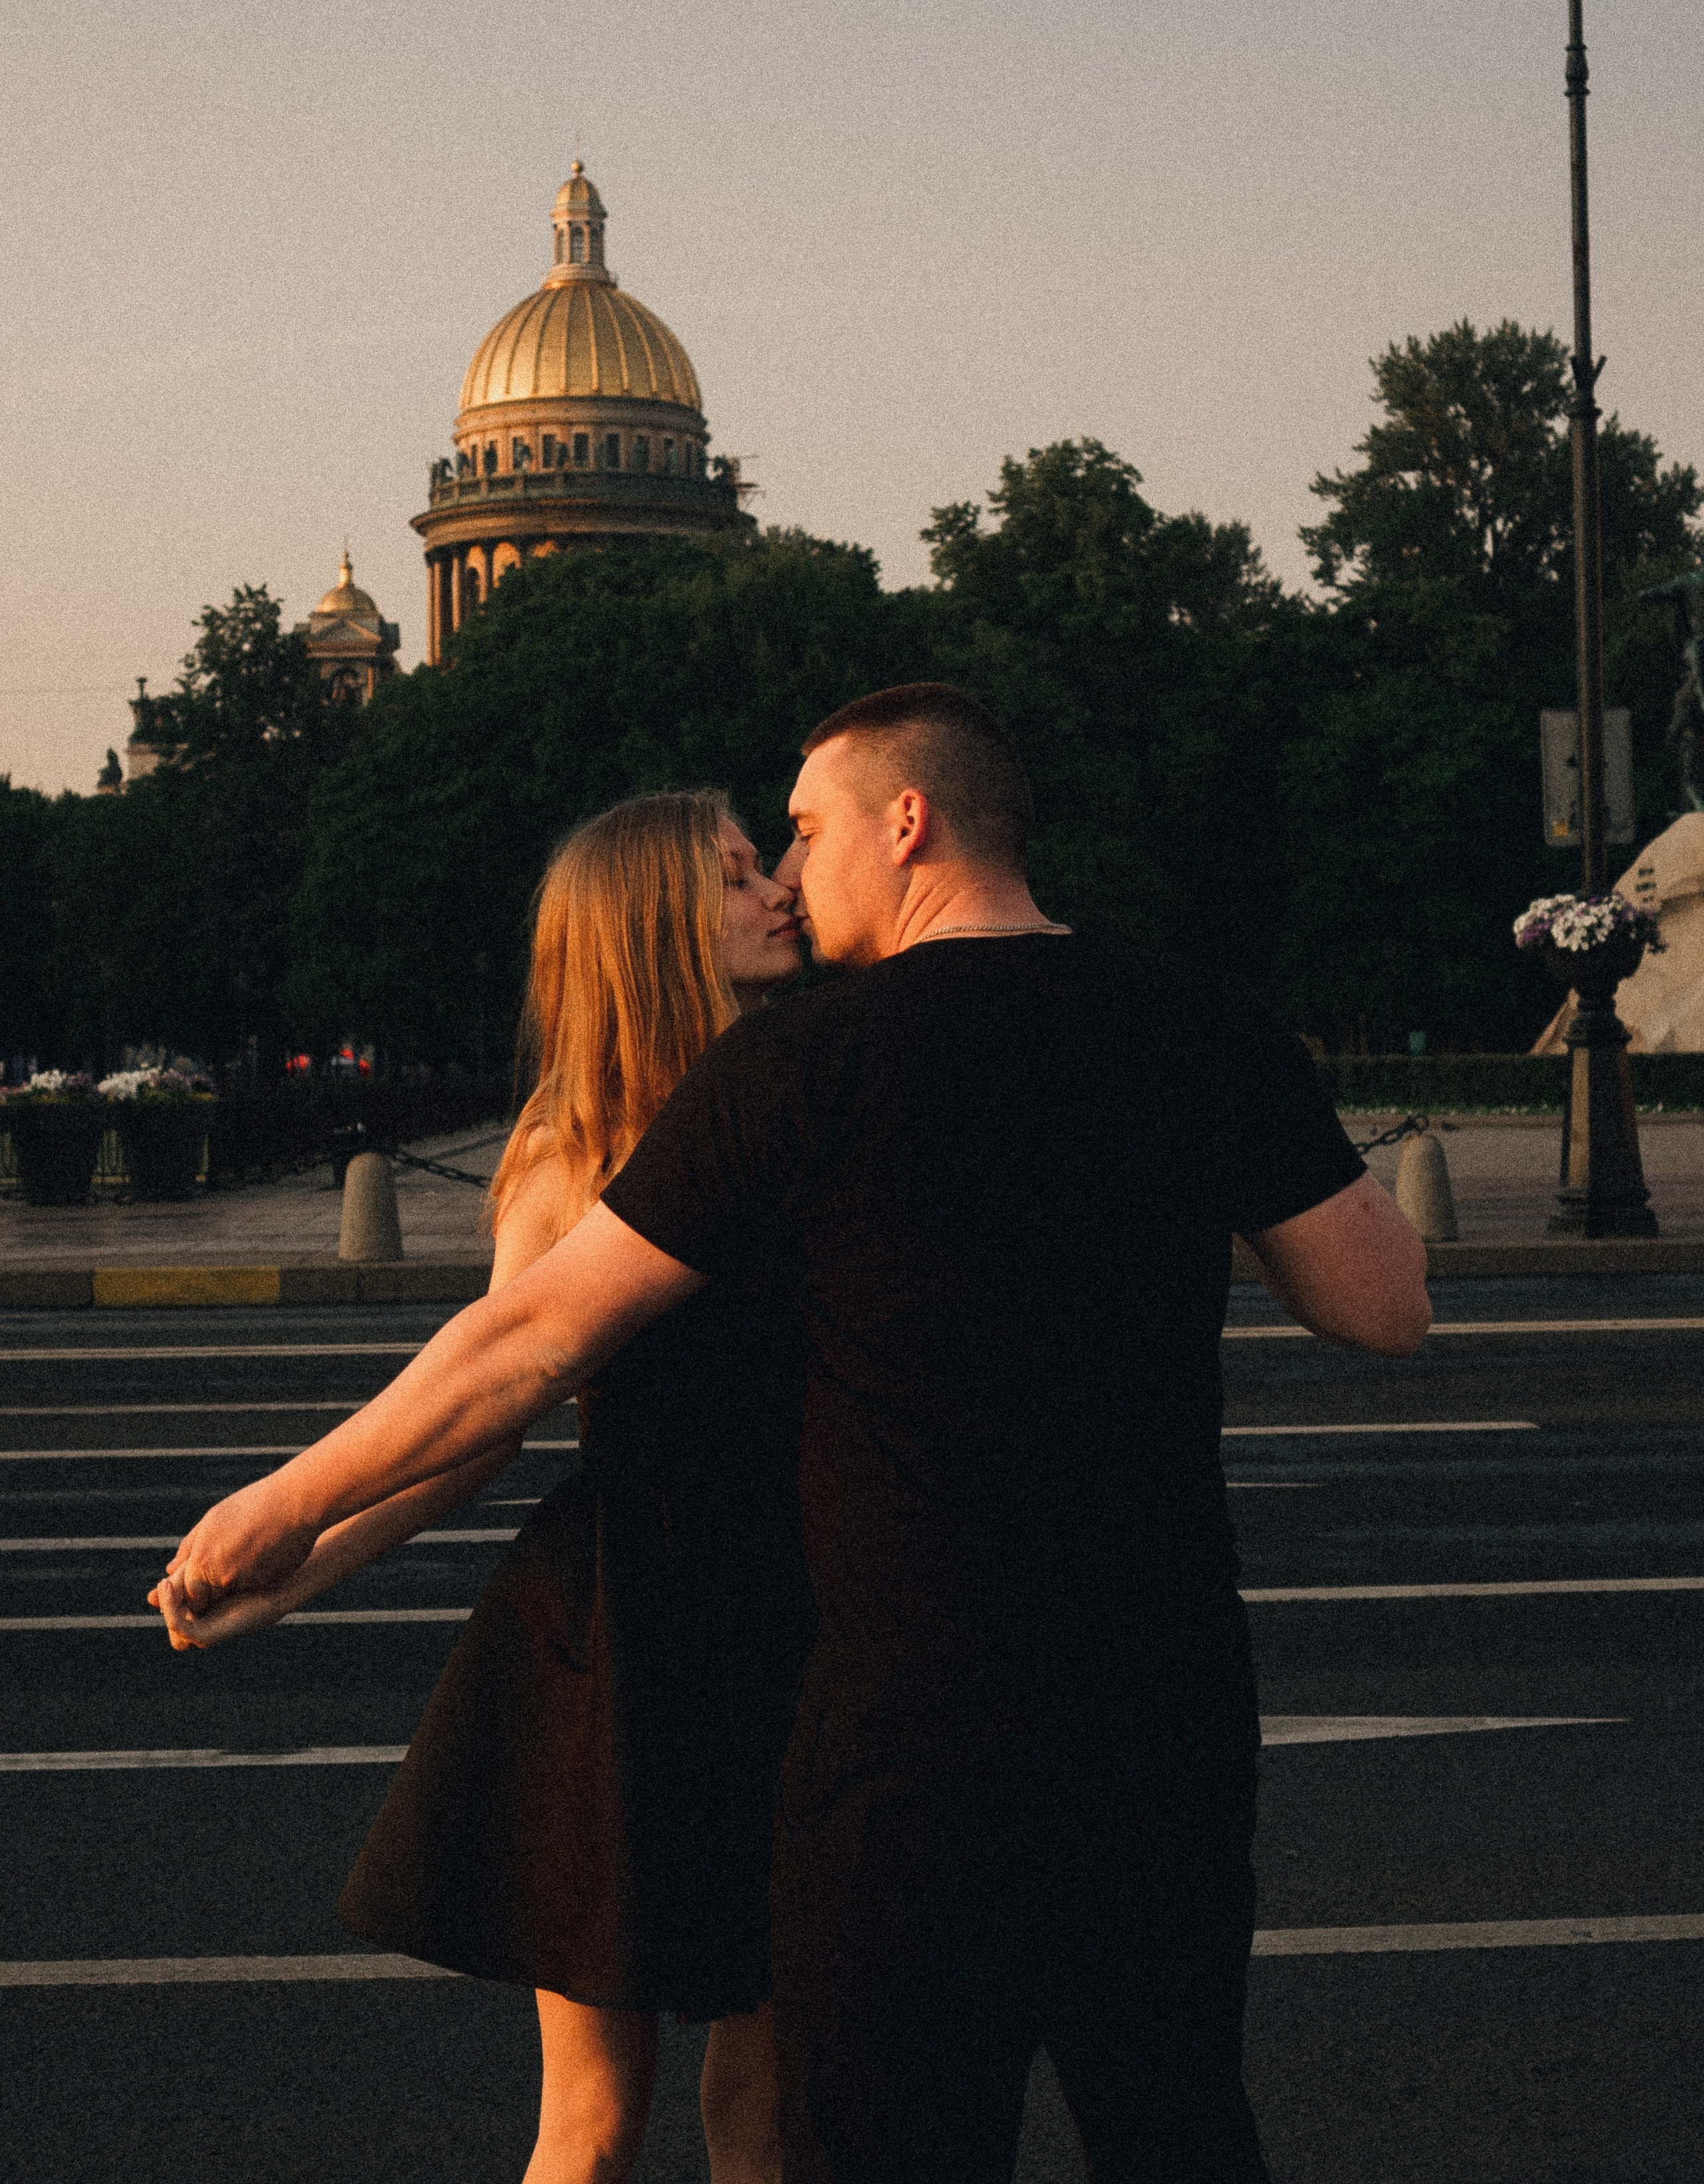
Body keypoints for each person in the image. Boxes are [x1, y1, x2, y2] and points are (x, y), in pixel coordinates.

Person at [156, 683, 1430, 2184]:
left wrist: (282, 1506)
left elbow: (530, 1340)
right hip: (1157, 1696)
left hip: (899, 1712)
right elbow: (1382, 1311)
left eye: (807, 832)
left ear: (908, 823)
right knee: (1170, 2118)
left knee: (880, 2130)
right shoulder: (1205, 1021)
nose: (793, 872)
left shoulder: (800, 1065)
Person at [154, 792, 815, 2184]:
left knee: (767, 2106)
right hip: (622, 1637)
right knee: (590, 2122)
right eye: (742, 872)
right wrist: (298, 1572)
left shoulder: (807, 1092)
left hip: (800, 1617)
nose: (783, 890)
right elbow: (483, 1414)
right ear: (654, 924)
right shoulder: (569, 1147)